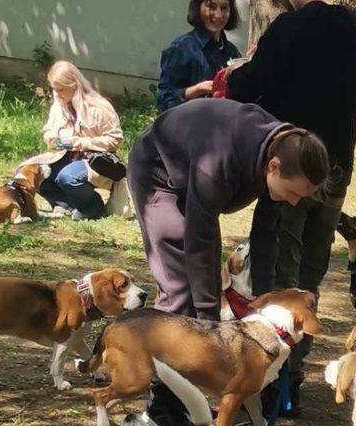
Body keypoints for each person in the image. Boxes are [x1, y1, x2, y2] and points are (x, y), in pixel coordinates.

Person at [226, 0, 356, 414]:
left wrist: (239, 71)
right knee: (310, 273)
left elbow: (248, 87)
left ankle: (270, 380)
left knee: (277, 271)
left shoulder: (288, 28)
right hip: (336, 167)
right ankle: (292, 383)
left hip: (290, 167)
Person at [127, 98, 329, 323]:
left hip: (197, 173)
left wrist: (263, 298)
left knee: (208, 282)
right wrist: (208, 320)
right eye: (293, 193)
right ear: (273, 167)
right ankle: (164, 339)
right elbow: (199, 240)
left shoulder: (280, 150)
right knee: (180, 288)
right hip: (157, 174)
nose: (294, 202)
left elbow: (266, 235)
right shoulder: (218, 163)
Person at [37, 60, 122, 220]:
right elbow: (48, 132)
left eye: (60, 89)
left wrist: (81, 142)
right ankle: (65, 205)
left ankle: (93, 208)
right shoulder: (59, 106)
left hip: (97, 160)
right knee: (33, 171)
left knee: (67, 177)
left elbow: (115, 140)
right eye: (54, 89)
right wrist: (52, 138)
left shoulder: (99, 106)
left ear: (74, 85)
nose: (57, 94)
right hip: (66, 155)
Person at [156, 0, 241, 113]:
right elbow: (164, 102)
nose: (218, 15)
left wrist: (250, 64)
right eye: (211, 6)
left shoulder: (232, 52)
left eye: (224, 8)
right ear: (197, 6)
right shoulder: (181, 49)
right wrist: (197, 90)